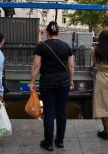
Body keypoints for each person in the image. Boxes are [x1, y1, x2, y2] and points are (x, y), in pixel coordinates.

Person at [30, 21, 75, 151]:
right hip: (63, 81)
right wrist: (71, 80)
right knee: (61, 111)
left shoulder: (41, 46)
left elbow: (36, 66)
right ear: (58, 32)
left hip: (47, 82)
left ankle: (48, 142)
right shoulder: (66, 46)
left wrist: (32, 82)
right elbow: (71, 66)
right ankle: (60, 141)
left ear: (47, 32)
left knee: (49, 112)